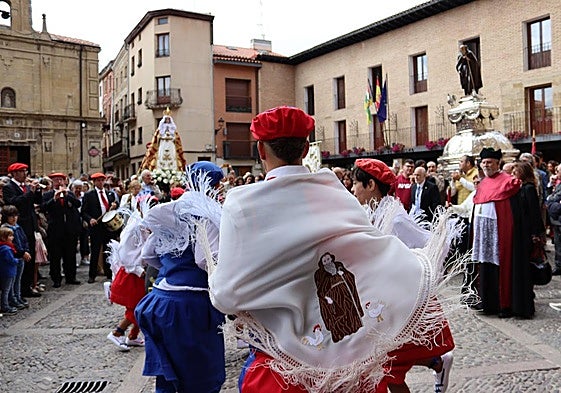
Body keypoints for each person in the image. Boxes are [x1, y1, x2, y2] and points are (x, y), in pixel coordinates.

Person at [210, 107, 457, 393]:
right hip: (352, 368)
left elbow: (226, 296)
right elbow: (370, 250)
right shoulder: (333, 188)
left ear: (261, 151)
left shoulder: (241, 202)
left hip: (288, 367)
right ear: (305, 148)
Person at [135, 161, 226, 393]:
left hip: (159, 301)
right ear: (212, 185)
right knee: (201, 378)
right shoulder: (207, 213)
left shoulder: (170, 210)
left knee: (168, 378)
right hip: (190, 306)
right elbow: (205, 260)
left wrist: (171, 269)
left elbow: (148, 255)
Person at [472, 148, 532, 318]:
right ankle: (488, 302)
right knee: (485, 267)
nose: (486, 165)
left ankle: (504, 304)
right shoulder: (483, 183)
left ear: (498, 163)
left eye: (489, 162)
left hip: (501, 234)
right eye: (484, 162)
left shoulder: (508, 182)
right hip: (484, 236)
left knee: (503, 267)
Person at [106, 198, 153, 352]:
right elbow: (125, 254)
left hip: (140, 272)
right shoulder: (134, 228)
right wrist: (139, 270)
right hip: (133, 274)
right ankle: (117, 332)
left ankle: (133, 336)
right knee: (138, 307)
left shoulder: (144, 225)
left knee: (140, 305)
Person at [2, 163, 42, 298]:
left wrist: (37, 191)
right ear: (14, 174)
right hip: (18, 226)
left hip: (30, 225)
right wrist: (30, 192)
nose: (25, 174)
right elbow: (15, 202)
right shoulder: (9, 188)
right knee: (21, 255)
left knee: (30, 255)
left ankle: (28, 286)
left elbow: (37, 202)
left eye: (25, 171)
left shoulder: (26, 187)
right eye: (22, 171)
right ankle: (20, 290)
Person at [41, 173, 82, 287]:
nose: (59, 182)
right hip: (55, 229)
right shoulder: (48, 194)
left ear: (64, 181)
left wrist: (67, 195)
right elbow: (43, 208)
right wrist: (54, 199)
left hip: (69, 229)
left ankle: (71, 276)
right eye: (56, 180)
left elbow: (78, 204)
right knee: (55, 256)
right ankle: (56, 278)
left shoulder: (70, 193)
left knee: (70, 254)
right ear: (52, 182)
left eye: (61, 180)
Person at [81, 172, 118, 283]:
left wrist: (115, 206)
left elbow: (115, 209)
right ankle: (92, 275)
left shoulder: (110, 194)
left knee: (108, 250)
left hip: (108, 227)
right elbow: (83, 212)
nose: (101, 182)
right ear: (94, 182)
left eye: (102, 180)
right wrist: (90, 219)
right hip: (96, 227)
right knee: (95, 251)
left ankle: (108, 272)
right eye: (98, 180)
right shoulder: (89, 195)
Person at [1, 205, 30, 310]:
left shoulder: (18, 227)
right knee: (12, 281)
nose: (14, 218)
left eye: (15, 215)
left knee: (18, 279)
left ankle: (17, 297)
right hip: (14, 257)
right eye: (11, 216)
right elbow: (13, 245)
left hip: (21, 257)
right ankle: (11, 299)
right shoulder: (5, 229)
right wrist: (22, 252)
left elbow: (24, 239)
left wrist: (26, 250)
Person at [0, 227, 19, 315]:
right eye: (10, 236)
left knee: (7, 289)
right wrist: (17, 260)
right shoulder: (6, 249)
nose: (12, 238)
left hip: (8, 272)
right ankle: (5, 306)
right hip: (8, 272)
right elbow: (11, 260)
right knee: (6, 290)